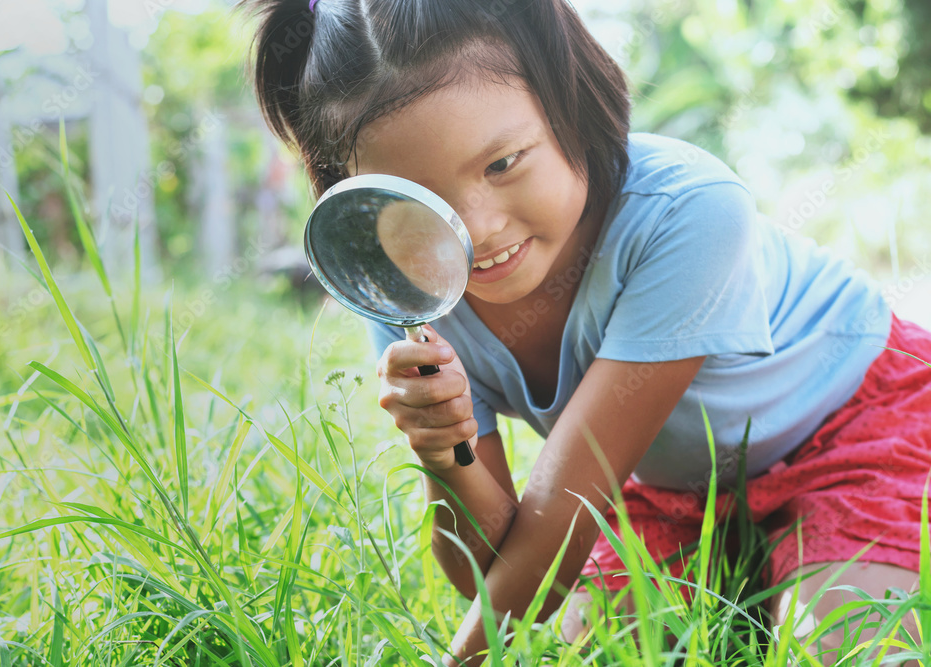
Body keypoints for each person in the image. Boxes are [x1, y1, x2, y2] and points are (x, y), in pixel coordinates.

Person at [243, 0, 931, 664]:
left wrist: (456, 659)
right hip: (679, 487)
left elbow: (562, 519)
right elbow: (482, 573)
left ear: (570, 103)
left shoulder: (690, 213)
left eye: (502, 163)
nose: (476, 229)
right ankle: (749, 556)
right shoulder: (404, 283)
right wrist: (442, 447)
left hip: (857, 422)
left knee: (838, 645)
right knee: (604, 647)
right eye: (421, 203)